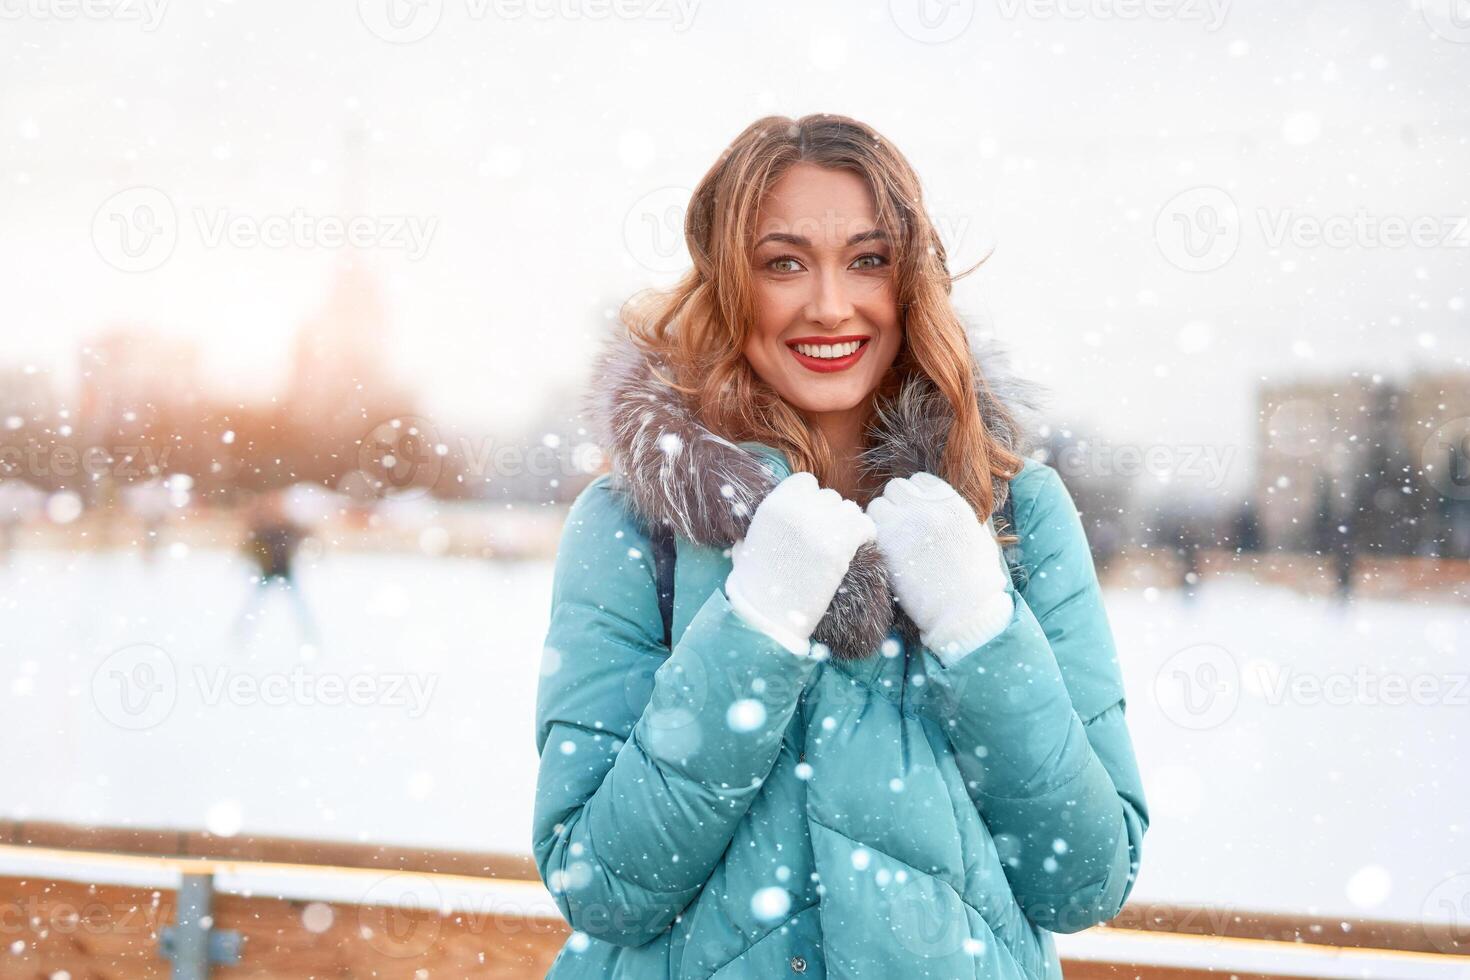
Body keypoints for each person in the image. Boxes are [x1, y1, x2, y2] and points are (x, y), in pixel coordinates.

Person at [532, 113, 1148, 978]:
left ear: (912, 279)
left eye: (868, 259)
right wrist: (757, 619)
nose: (829, 304)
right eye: (782, 262)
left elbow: (1086, 879)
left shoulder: (1021, 518)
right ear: (726, 285)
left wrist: (980, 627)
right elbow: (602, 884)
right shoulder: (635, 525)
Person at [230, 489, 320, 648]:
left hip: (285, 570)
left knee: (297, 604)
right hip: (269, 571)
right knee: (255, 604)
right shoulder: (264, 528)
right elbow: (249, 546)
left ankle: (308, 632)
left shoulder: (287, 526)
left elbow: (307, 533)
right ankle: (240, 632)